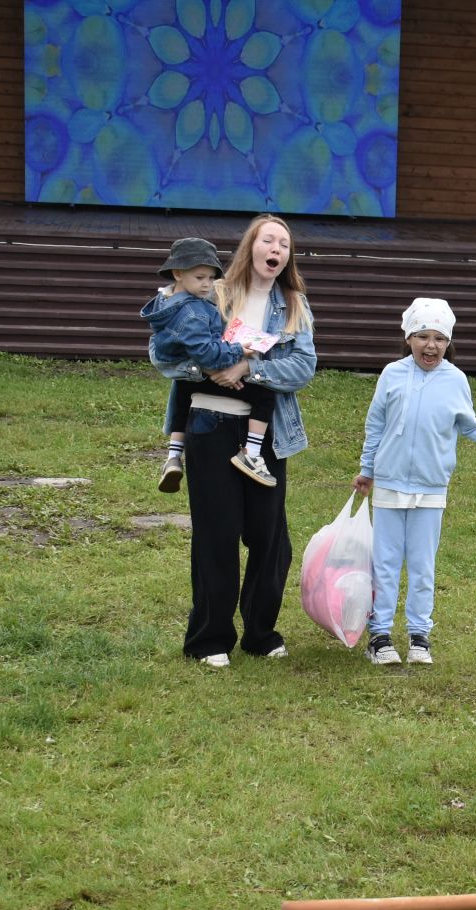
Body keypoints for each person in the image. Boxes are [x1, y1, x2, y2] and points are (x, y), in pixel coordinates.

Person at [156, 215, 315, 667]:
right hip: (209, 429)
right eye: (269, 239)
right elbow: (164, 353)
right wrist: (208, 368)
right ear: (251, 246)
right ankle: (209, 640)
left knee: (270, 539)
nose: (277, 248)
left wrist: (248, 368)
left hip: (267, 436)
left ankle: (261, 634)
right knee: (216, 535)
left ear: (288, 256)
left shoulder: (294, 304)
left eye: (284, 243)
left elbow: (303, 367)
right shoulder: (213, 293)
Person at [353, 298, 476, 665]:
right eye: (423, 336)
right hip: (390, 486)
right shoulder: (392, 374)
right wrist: (367, 470)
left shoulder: (455, 380)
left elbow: (470, 425)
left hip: (430, 489)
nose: (431, 345)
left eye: (439, 338)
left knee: (424, 565)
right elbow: (375, 425)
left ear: (448, 342)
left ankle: (419, 636)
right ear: (408, 337)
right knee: (386, 563)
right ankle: (379, 636)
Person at [142, 237, 277, 493]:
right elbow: (209, 354)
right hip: (207, 364)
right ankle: (252, 453)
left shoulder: (166, 301)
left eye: (211, 278)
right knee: (264, 392)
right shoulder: (193, 312)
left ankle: (173, 456)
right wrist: (239, 351)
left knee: (182, 390)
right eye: (200, 278)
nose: (207, 285)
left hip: (186, 371)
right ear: (178, 273)